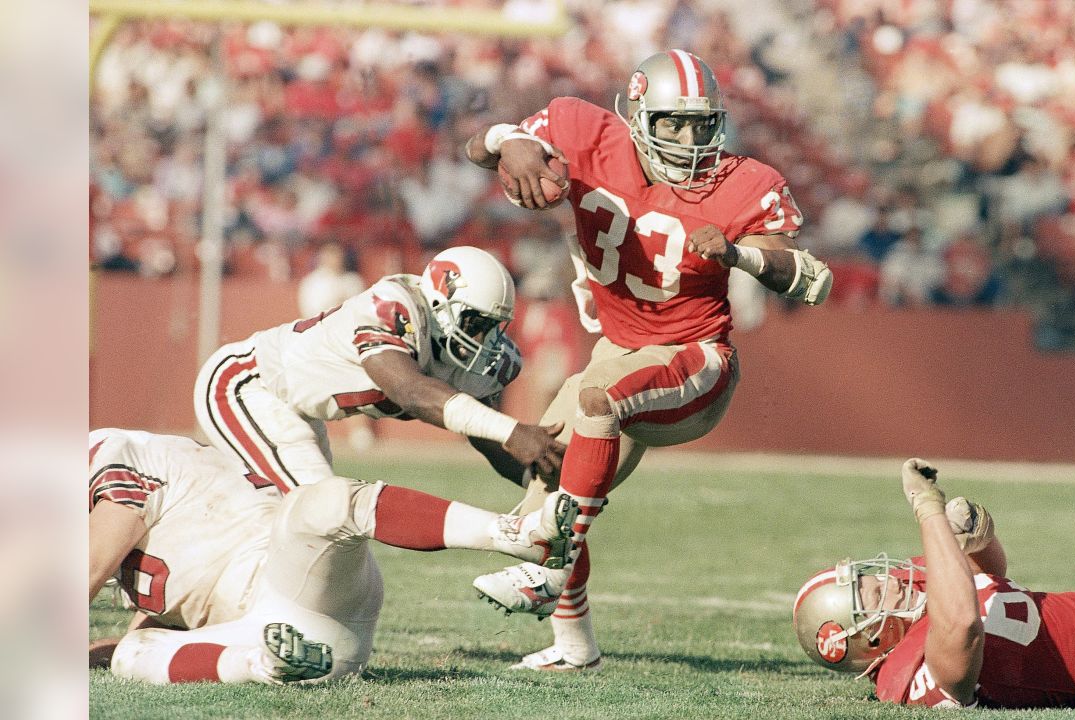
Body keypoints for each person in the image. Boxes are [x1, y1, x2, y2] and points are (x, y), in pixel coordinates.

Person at [461, 49, 833, 671]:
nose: (690, 141)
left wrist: (740, 258)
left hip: (697, 358)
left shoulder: (744, 181)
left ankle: (551, 572)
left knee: (595, 407)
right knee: (543, 491)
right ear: (636, 117)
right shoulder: (581, 131)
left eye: (701, 125)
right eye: (672, 124)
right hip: (620, 349)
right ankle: (573, 644)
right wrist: (509, 140)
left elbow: (812, 281)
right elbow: (479, 147)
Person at [88, 428, 579, 684]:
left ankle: (519, 533)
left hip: (297, 583)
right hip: (292, 644)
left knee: (319, 501)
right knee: (133, 655)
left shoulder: (112, 456)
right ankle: (268, 667)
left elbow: (88, 569)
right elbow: (167, 623)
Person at [792, 458, 1075, 710]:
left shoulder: (918, 589)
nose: (890, 583)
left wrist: (976, 535)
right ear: (868, 643)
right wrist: (926, 506)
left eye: (876, 578)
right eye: (876, 594)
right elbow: (963, 623)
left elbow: (989, 573)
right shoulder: (907, 671)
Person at [194, 245, 564, 492]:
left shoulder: (467, 349)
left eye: (491, 325)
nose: (483, 338)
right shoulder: (395, 304)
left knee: (304, 518)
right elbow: (411, 392)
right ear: (439, 300)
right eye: (474, 322)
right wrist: (513, 429)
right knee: (319, 512)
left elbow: (487, 437)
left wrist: (543, 481)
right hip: (248, 384)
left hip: (298, 410)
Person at [296, 242, 377, 451]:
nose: (334, 259)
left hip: (348, 341)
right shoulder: (313, 282)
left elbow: (360, 310)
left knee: (352, 383)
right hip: (318, 341)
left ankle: (359, 432)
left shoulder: (352, 280)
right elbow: (312, 314)